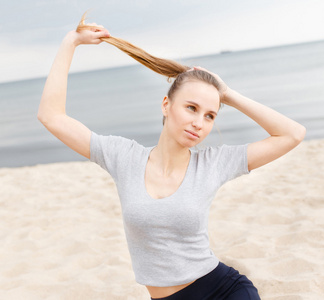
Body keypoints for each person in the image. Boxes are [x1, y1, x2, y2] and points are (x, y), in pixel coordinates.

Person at [38, 14, 306, 300]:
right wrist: (71, 42)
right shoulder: (124, 157)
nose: (199, 123)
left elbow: (292, 134)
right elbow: (51, 116)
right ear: (166, 105)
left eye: (210, 115)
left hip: (223, 290)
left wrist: (228, 94)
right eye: (191, 107)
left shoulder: (213, 164)